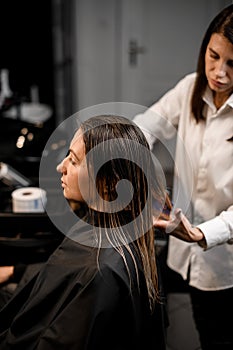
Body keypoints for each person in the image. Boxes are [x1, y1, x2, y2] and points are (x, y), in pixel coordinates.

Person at [0, 114, 171, 349]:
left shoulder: (100, 271)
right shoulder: (119, 229)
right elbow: (66, 272)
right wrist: (15, 271)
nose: (61, 167)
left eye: (73, 160)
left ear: (109, 182)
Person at [133, 4, 233, 350]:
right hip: (179, 250)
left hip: (223, 264)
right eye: (213, 55)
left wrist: (203, 233)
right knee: (158, 318)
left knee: (214, 335)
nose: (218, 71)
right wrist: (110, 147)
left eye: (232, 63)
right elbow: (148, 125)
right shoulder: (191, 87)